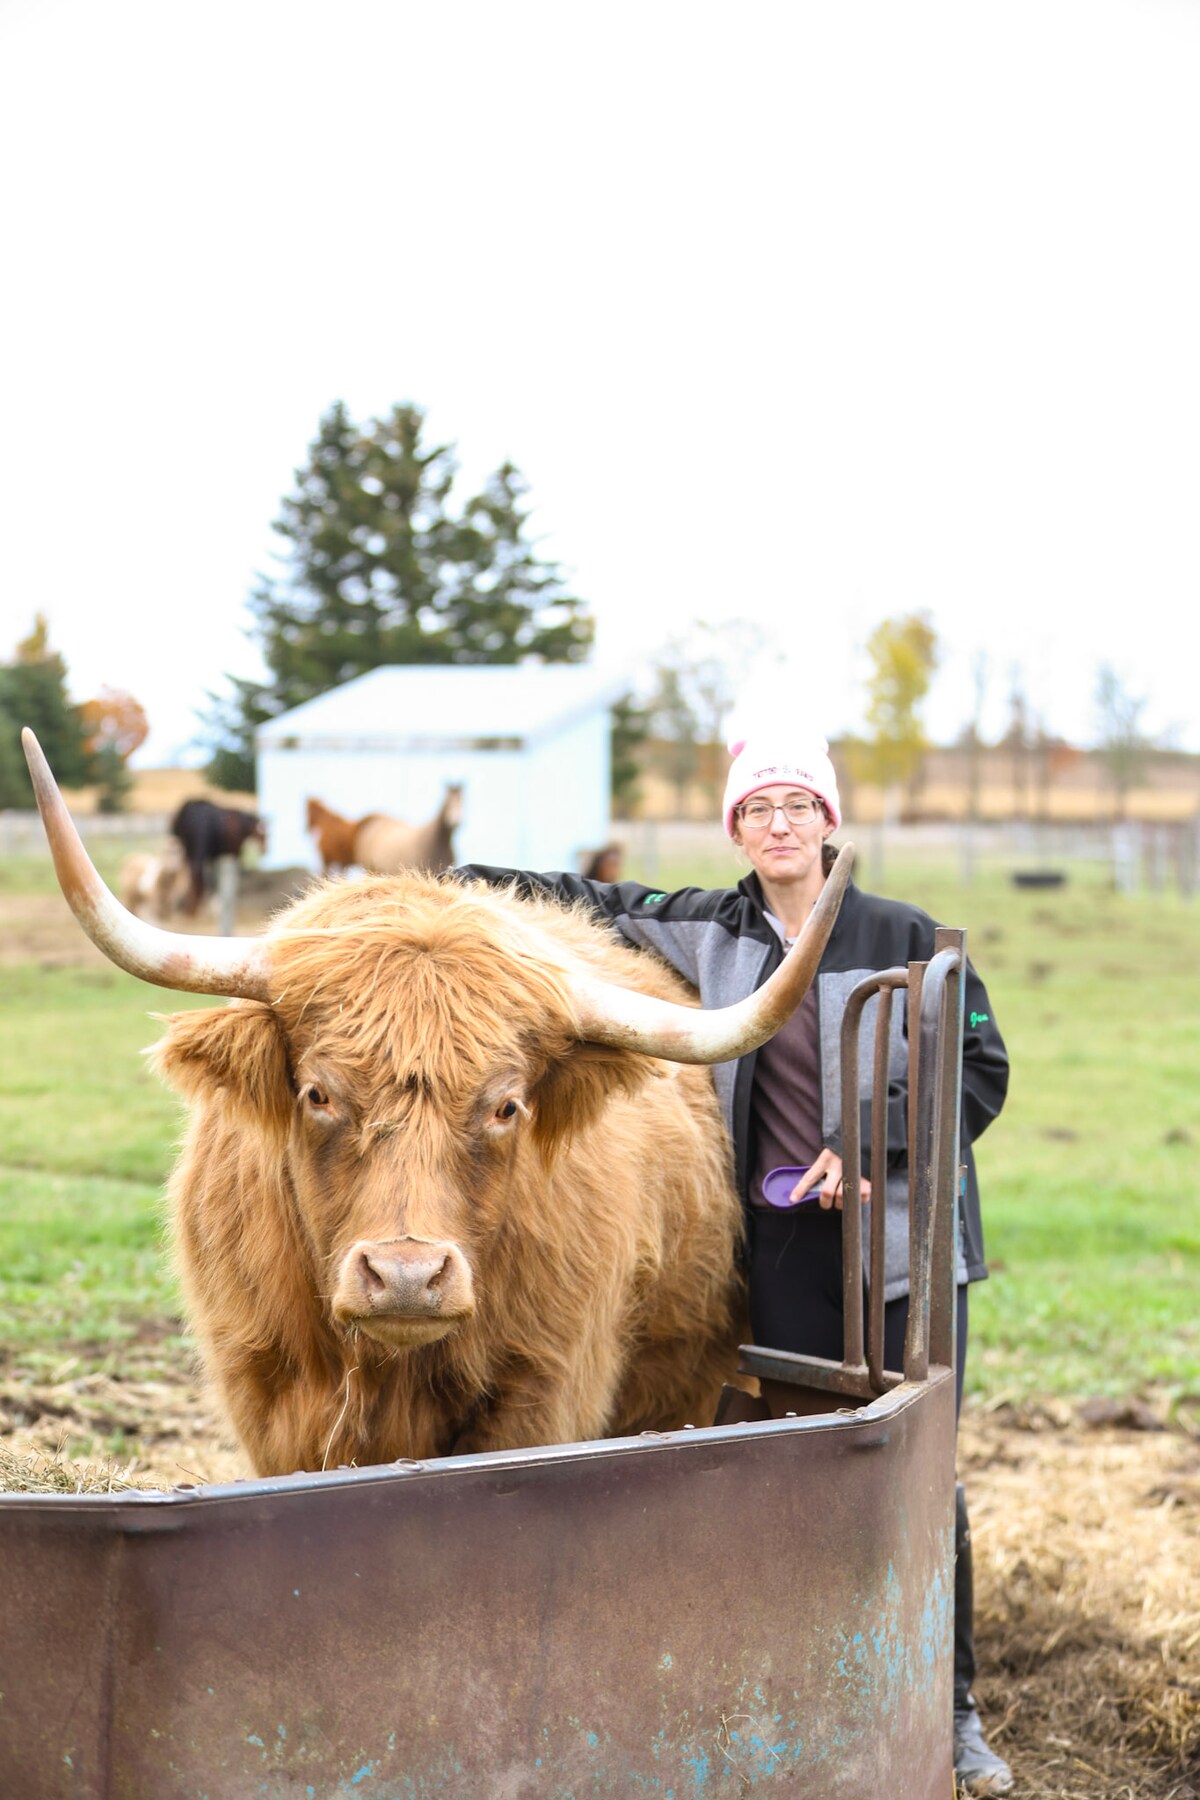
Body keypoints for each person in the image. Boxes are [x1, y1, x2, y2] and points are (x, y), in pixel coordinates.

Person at [458, 728, 1012, 1797]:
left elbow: (981, 1070)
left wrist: (873, 1140)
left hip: (905, 1252)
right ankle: (814, 1683)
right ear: (737, 829)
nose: (778, 824)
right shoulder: (712, 930)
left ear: (830, 821)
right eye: (757, 809)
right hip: (788, 1244)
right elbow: (588, 898)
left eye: (797, 804)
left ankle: (952, 1710)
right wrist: (456, 883)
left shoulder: (913, 938)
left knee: (919, 1472)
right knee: (798, 1456)